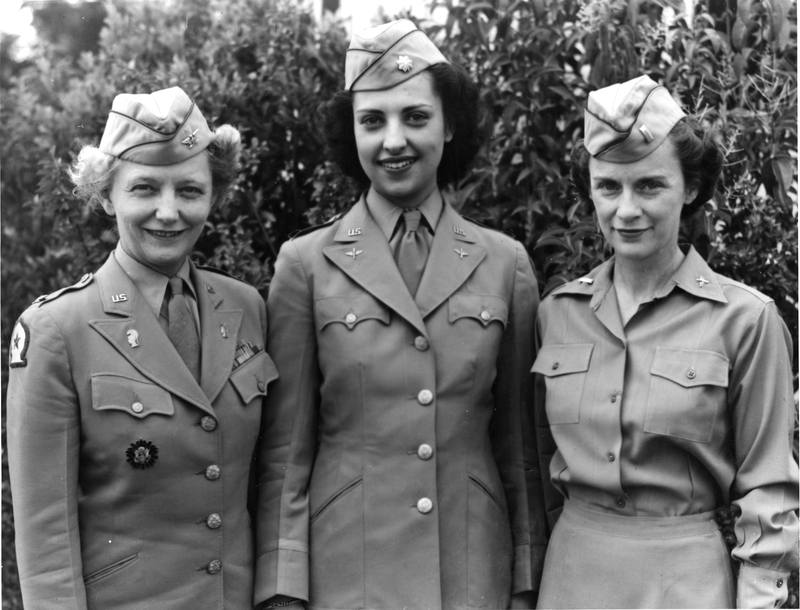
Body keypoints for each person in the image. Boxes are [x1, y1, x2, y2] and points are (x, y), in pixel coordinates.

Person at [254, 19, 546, 610]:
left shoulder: (505, 264)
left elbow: (519, 447)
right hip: (347, 572)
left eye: (415, 117)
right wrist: (282, 588)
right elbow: (286, 451)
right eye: (372, 121)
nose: (393, 141)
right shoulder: (304, 265)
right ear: (351, 133)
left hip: (472, 570)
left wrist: (526, 579)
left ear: (450, 123)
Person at [533, 75, 799, 609]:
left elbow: (769, 488)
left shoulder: (745, 320)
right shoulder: (557, 313)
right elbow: (536, 465)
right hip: (569, 578)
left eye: (649, 185)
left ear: (692, 189)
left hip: (685, 583)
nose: (626, 210)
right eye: (609, 187)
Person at [7, 87, 278, 609]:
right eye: (145, 188)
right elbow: (45, 537)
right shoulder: (57, 330)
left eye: (190, 191)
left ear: (214, 197)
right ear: (107, 195)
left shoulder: (247, 308)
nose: (169, 212)